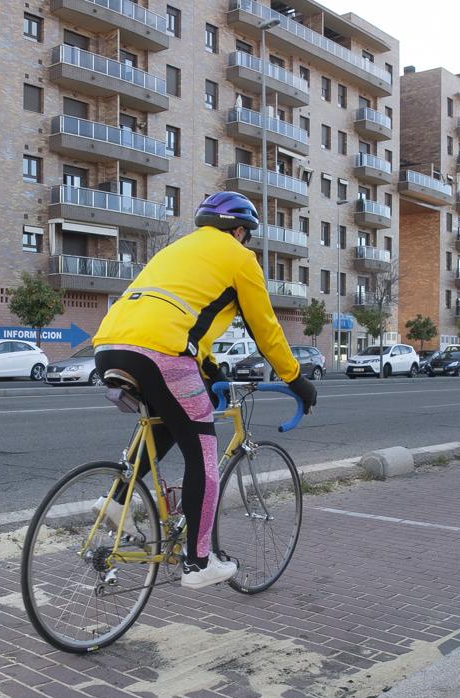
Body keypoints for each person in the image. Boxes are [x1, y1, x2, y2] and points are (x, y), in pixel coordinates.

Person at [92, 191, 317, 590]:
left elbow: (181, 315)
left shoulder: (179, 250)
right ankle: (198, 563)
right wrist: (295, 378)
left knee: (164, 423)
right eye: (246, 235)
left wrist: (209, 368)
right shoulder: (239, 257)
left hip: (110, 346)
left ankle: (114, 501)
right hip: (162, 352)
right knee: (203, 454)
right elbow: (264, 328)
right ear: (240, 230)